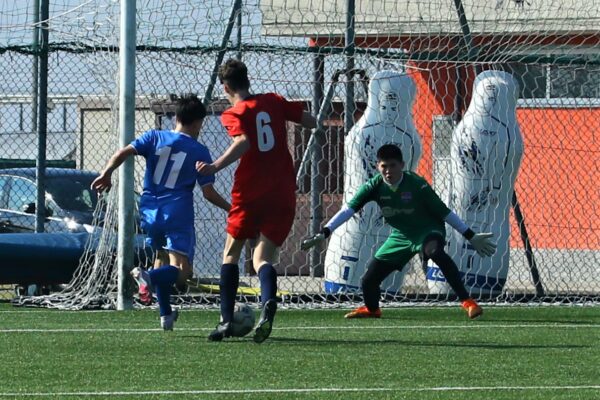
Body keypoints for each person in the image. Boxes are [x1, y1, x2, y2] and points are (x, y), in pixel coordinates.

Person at [196, 59, 317, 343]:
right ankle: (268, 303)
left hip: (249, 192)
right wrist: (319, 127)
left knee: (231, 254)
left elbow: (243, 142)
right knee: (263, 259)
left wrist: (214, 166)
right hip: (282, 191)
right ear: (247, 80)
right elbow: (309, 120)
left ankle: (226, 320)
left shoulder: (233, 113)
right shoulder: (273, 101)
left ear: (225, 87)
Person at [301, 144, 496, 319]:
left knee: (435, 253)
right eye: (384, 166)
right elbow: (348, 211)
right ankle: (372, 309)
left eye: (392, 165)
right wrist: (325, 232)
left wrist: (471, 235)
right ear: (378, 166)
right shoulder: (374, 186)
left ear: (402, 165)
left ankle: (468, 302)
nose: (388, 171)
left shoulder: (416, 184)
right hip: (401, 236)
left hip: (427, 230)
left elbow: (444, 213)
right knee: (369, 280)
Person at [91, 93, 230, 330]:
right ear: (198, 123)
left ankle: (165, 315)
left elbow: (122, 152)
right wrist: (232, 208)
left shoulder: (154, 137)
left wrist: (107, 173)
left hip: (149, 210)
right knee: (182, 271)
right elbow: (207, 193)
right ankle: (148, 278)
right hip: (176, 212)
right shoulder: (199, 151)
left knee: (160, 258)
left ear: (175, 117)